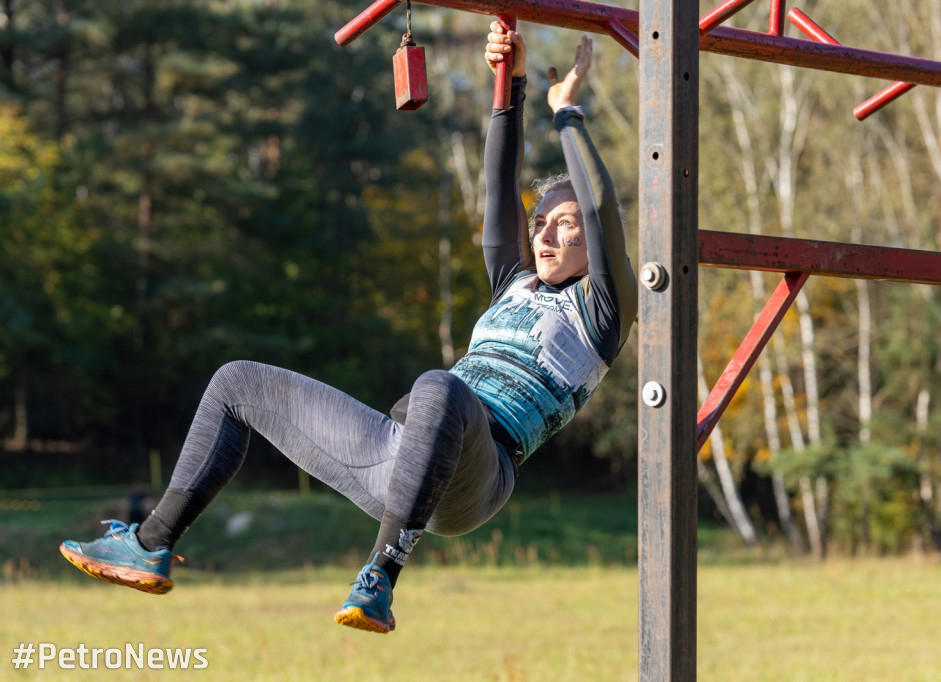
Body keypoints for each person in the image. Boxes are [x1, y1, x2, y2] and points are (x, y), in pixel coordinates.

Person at [59, 23, 637, 634]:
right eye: (541, 221)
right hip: (399, 451)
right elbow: (499, 189)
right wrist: (509, 85)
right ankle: (151, 542)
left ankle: (380, 576)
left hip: (478, 474)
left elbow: (601, 215)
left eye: (564, 225)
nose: (545, 234)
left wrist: (566, 112)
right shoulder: (513, 282)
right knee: (235, 384)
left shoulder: (604, 310)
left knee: (440, 386)